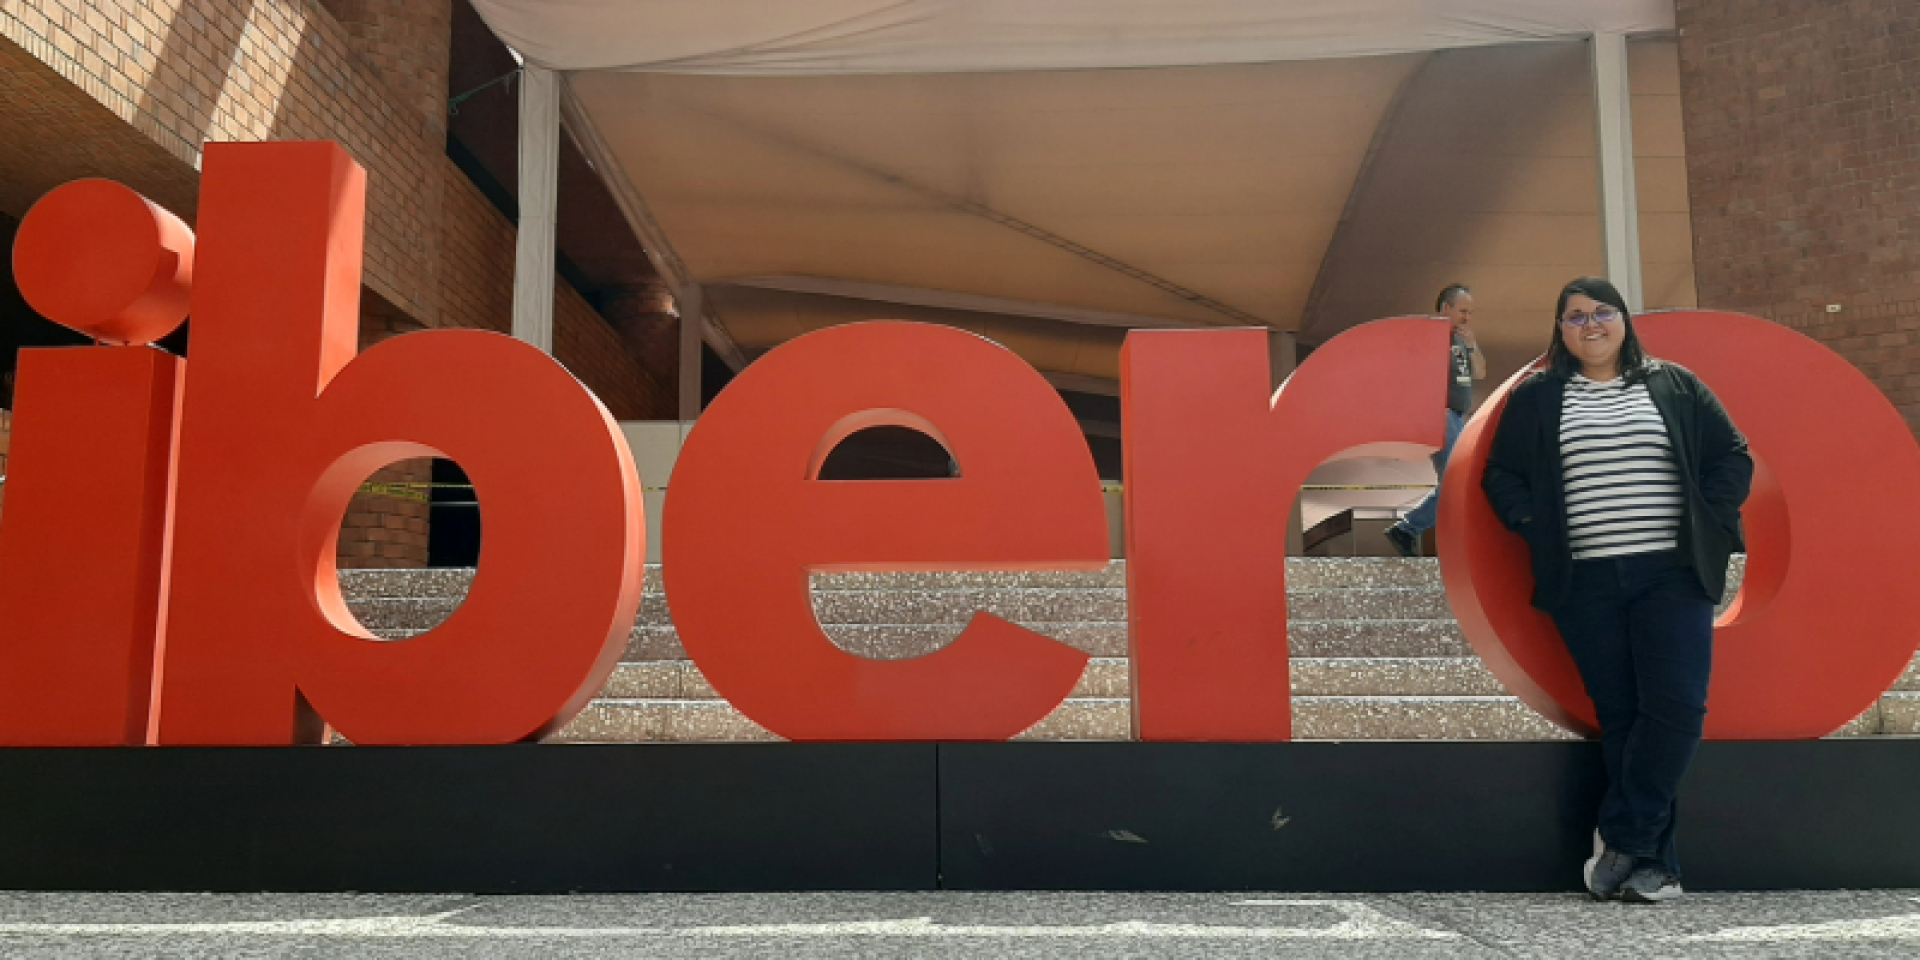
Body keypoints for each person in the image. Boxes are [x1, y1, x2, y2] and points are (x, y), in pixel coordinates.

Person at [1481, 277, 1752, 904]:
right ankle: (1655, 868)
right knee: (1625, 715)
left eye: (1602, 312)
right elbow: (1502, 474)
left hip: (1672, 575)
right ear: (1560, 330)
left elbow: (1731, 456)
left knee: (1678, 707)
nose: (1590, 324)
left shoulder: (1674, 385)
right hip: (1585, 579)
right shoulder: (1539, 397)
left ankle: (1623, 836)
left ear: (1624, 320)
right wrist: (1531, 521)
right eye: (1575, 316)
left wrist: (1704, 520)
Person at [1385, 284, 1484, 557]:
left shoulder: (1463, 340)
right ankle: (1408, 527)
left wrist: (1473, 346)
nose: (1467, 317)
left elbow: (1481, 372)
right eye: (1463, 311)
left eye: (1471, 312)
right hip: (1443, 412)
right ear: (1446, 309)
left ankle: (1411, 529)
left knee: (1458, 485)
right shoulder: (1433, 337)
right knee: (1458, 481)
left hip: (1459, 416)